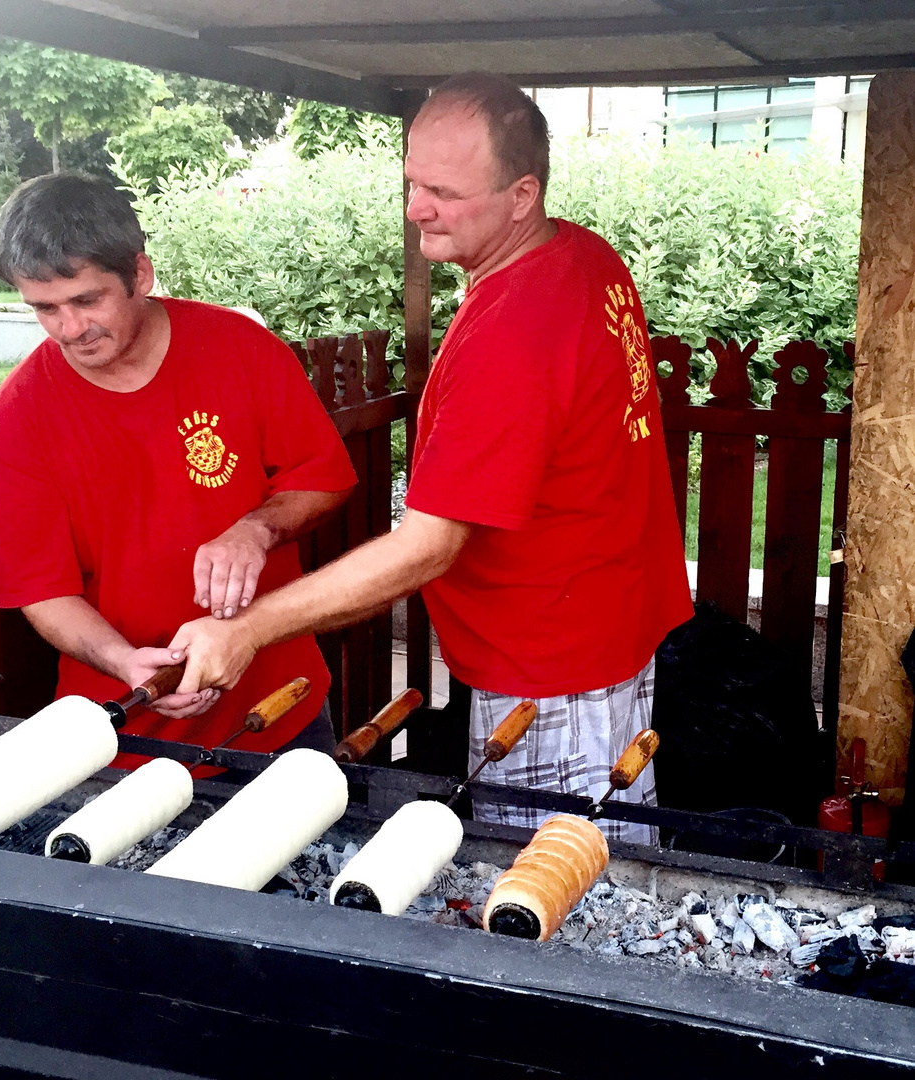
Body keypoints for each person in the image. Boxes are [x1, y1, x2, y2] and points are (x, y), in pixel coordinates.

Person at [167, 74, 693, 840]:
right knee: (602, 862)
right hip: (605, 626)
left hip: (549, 669)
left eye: (443, 191)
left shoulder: (512, 336)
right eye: (413, 182)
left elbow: (429, 546)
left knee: (551, 895)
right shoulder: (580, 255)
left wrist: (247, 629)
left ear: (522, 195)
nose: (416, 209)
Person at [0, 172, 357, 768]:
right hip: (121, 728)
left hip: (280, 702)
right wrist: (123, 662)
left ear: (140, 274)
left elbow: (324, 477)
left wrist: (254, 529)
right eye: (44, 309)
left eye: (86, 300)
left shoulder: (239, 347)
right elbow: (41, 590)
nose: (70, 329)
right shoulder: (22, 410)